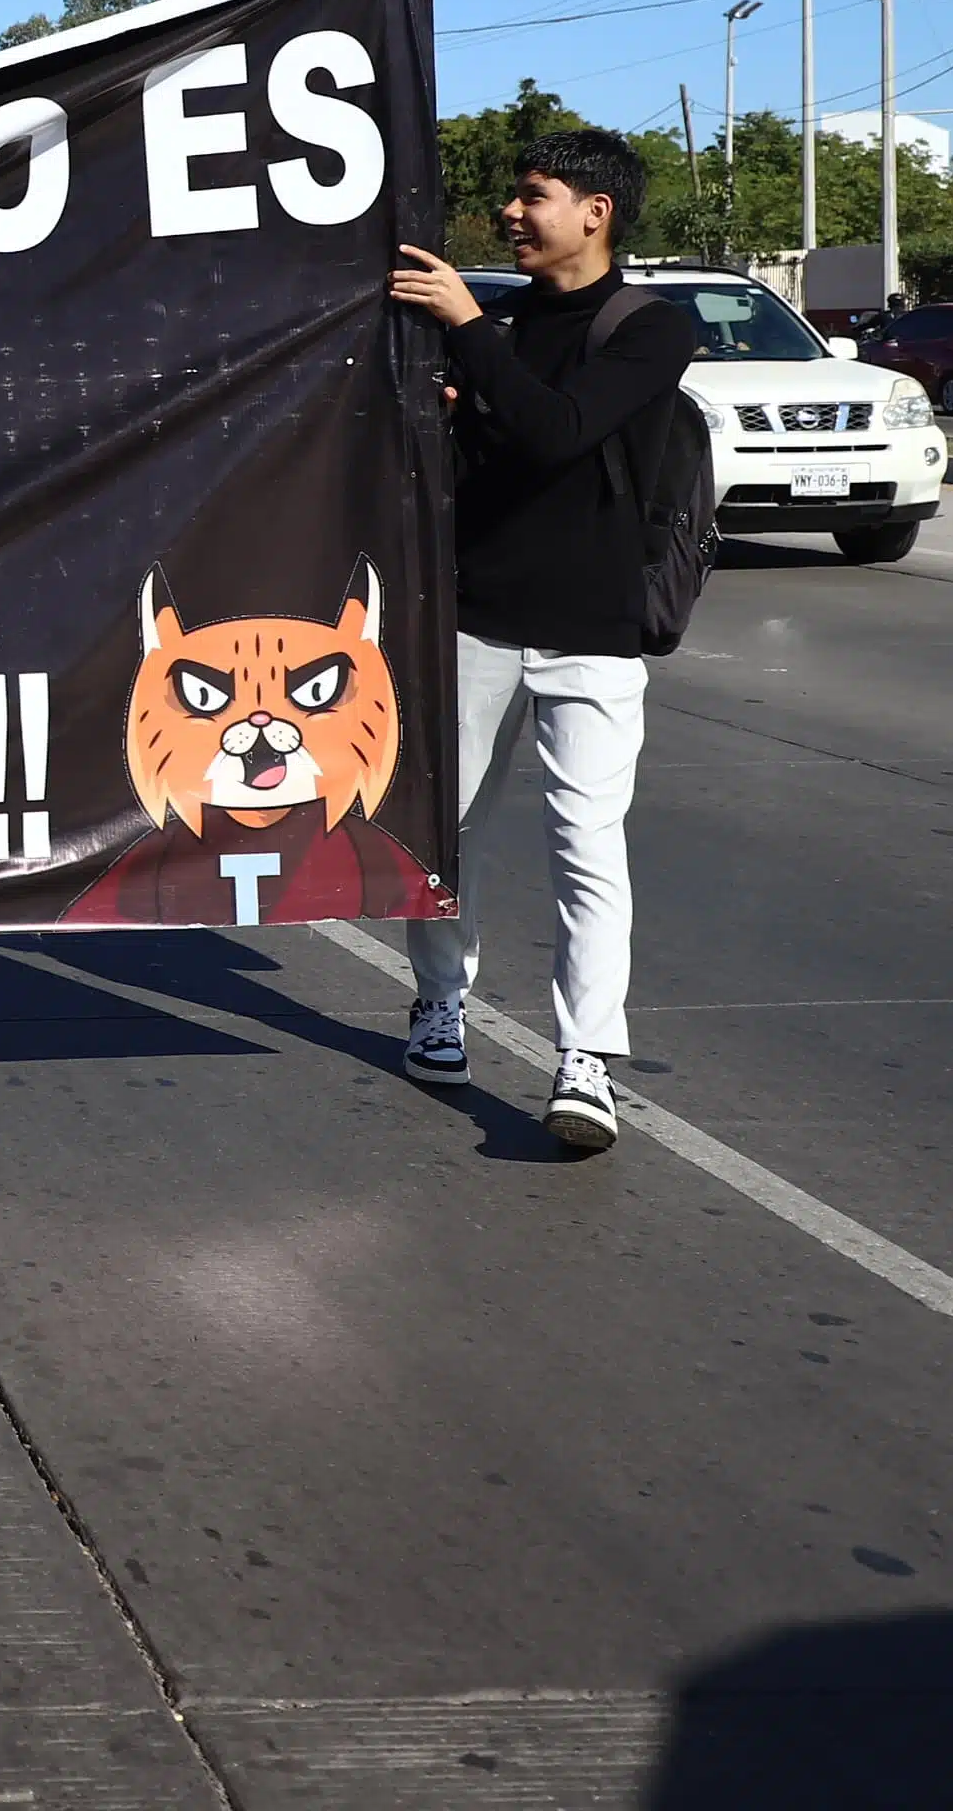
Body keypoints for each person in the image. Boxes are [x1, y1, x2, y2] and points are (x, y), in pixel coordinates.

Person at [388, 128, 696, 1153]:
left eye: (533, 196)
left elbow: (561, 430)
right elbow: (496, 455)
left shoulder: (649, 329)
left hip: (591, 630)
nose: (511, 215)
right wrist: (452, 412)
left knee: (584, 844)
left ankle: (584, 1059)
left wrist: (469, 333)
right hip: (476, 616)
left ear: (595, 211)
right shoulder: (508, 321)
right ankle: (439, 1002)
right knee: (444, 832)